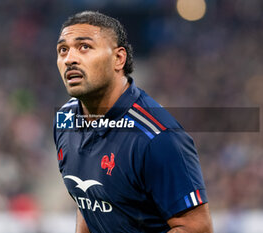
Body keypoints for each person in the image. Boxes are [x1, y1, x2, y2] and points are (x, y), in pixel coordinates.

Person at [53, 11, 213, 233]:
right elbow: (88, 202)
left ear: (118, 58)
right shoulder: (64, 121)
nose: (69, 58)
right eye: (63, 50)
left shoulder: (159, 137)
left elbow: (197, 229)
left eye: (84, 47)